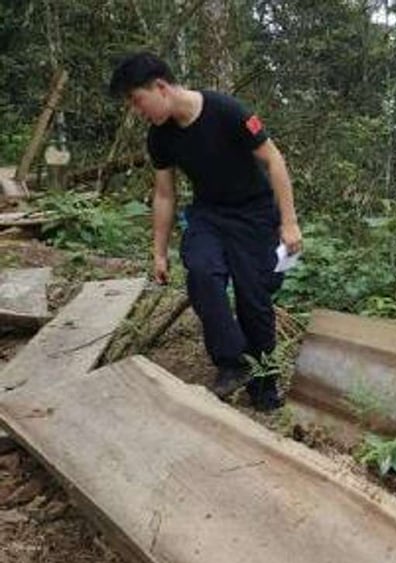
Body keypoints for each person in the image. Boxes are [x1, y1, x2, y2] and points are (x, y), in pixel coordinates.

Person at [109, 52, 301, 411]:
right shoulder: (160, 138)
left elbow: (274, 160)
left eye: (138, 101)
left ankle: (263, 386)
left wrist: (288, 222)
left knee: (253, 299)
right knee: (201, 270)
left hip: (254, 214)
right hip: (209, 214)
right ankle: (231, 362)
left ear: (161, 88)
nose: (139, 111)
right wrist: (159, 251)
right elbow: (165, 194)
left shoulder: (227, 111)